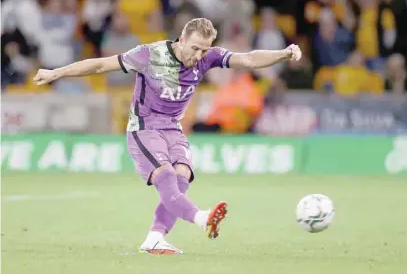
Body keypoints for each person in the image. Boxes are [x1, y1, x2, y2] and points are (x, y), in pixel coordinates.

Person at [33, 18, 302, 255]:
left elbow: (249, 58)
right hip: (145, 128)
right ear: (181, 39)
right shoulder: (149, 55)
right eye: (195, 48)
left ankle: (154, 238)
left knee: (183, 173)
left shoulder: (208, 57)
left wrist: (284, 53)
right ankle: (201, 217)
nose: (199, 55)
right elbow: (101, 65)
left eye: (204, 49)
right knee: (167, 176)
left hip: (173, 128)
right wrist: (56, 72)